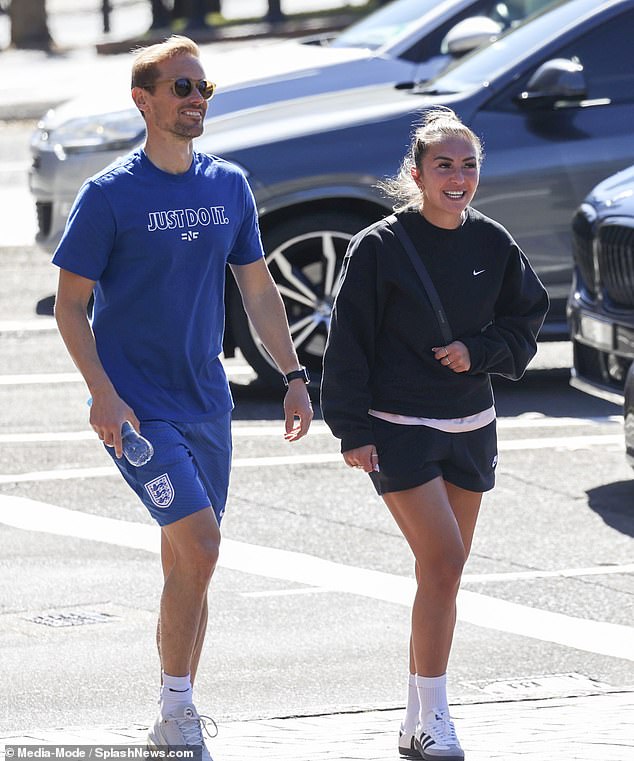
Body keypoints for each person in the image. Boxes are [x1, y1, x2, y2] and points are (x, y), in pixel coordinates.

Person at [52, 34, 313, 761]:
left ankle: (173, 716)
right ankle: (179, 710)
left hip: (208, 403)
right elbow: (70, 306)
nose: (197, 100)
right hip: (138, 411)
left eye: (204, 90)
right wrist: (103, 395)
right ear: (145, 100)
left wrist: (293, 375)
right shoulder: (109, 195)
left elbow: (257, 288)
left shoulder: (228, 184)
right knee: (202, 543)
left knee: (189, 564)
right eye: (182, 88)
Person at [321, 107, 548, 761]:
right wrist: (352, 430)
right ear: (417, 174)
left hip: (473, 425)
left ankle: (418, 720)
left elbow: (528, 316)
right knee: (445, 561)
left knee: (439, 574)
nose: (457, 177)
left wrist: (478, 352)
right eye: (443, 165)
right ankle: (438, 715)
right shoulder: (379, 247)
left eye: (468, 164)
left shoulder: (493, 241)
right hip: (400, 430)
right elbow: (349, 345)